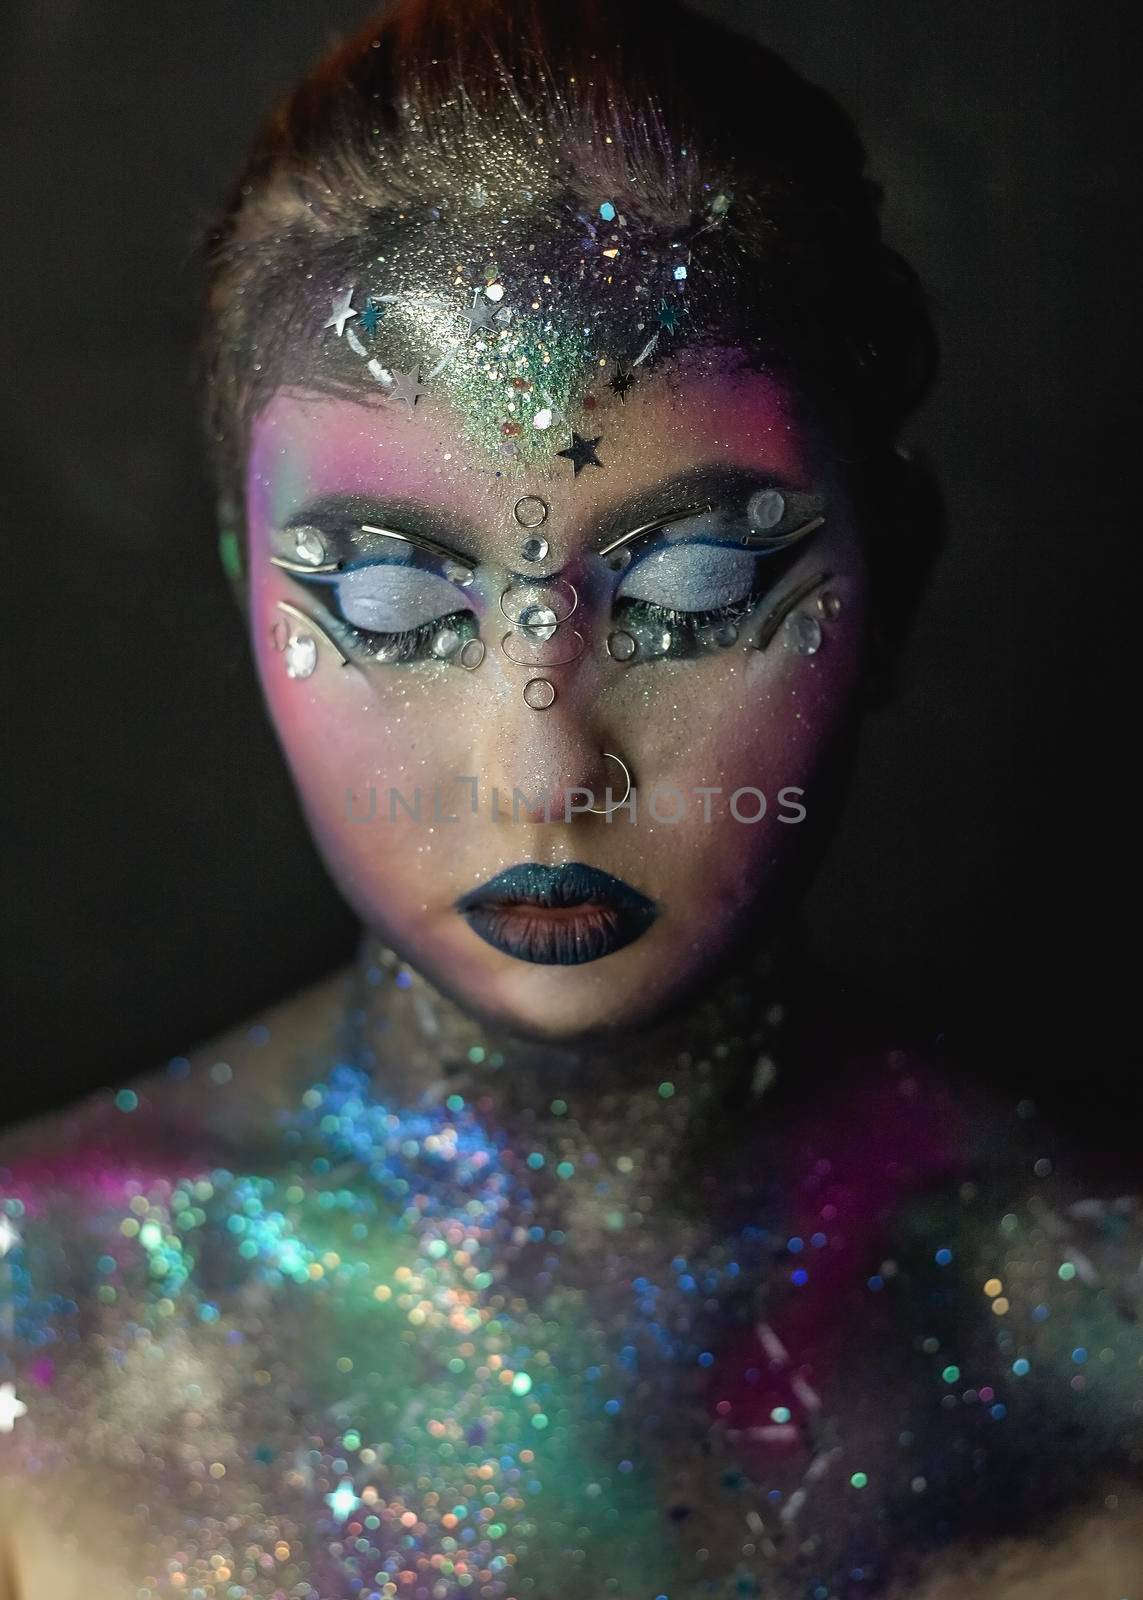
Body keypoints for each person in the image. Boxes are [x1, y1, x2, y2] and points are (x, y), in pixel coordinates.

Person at [1, 1, 1140, 1593]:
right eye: (395, 610)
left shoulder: (1105, 1354)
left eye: (692, 590)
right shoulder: (36, 1322)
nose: (545, 773)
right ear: (243, 588)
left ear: (899, 581)